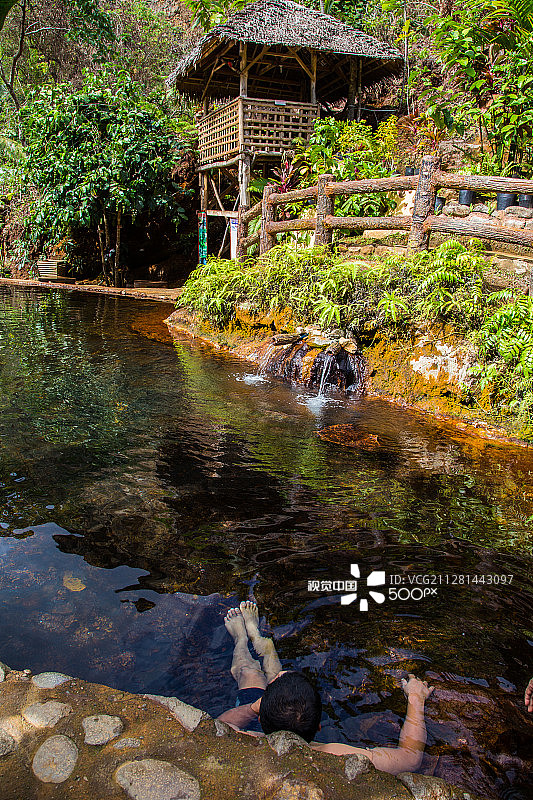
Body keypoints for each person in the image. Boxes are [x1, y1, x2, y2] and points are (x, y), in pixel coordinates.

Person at [217, 601, 434, 776]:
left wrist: (253, 708)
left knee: (248, 672)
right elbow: (409, 759)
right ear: (320, 727)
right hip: (275, 715)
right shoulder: (333, 754)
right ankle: (256, 637)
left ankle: (243, 639)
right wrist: (416, 697)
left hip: (259, 715)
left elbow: (220, 725)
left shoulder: (251, 739)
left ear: (261, 719)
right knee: (278, 683)